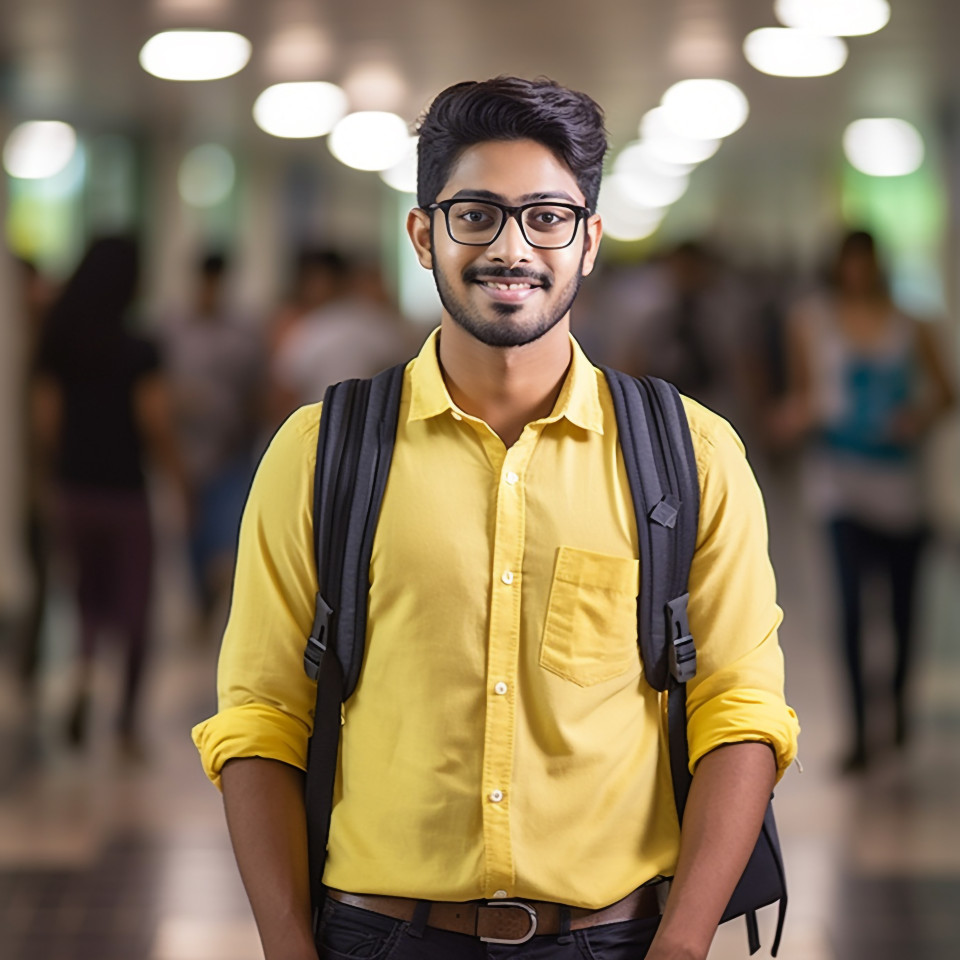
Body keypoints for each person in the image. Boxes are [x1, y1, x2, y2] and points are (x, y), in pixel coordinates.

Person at [193, 77, 799, 960]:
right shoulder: (321, 451)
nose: (512, 248)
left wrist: (683, 944)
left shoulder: (692, 455)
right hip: (379, 934)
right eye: (475, 214)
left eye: (548, 216)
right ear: (423, 233)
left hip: (615, 939)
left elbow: (740, 713)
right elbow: (259, 714)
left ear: (589, 240)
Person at [770, 230, 953, 772]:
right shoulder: (810, 321)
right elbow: (804, 392)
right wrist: (796, 418)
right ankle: (858, 728)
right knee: (850, 608)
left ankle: (896, 713)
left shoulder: (912, 324)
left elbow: (945, 389)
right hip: (839, 484)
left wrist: (915, 418)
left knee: (901, 609)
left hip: (900, 488)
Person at [34, 235, 186, 756]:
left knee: (86, 601)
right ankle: (124, 722)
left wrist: (61, 469)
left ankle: (79, 677)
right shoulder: (140, 348)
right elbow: (156, 421)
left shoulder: (58, 339)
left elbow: (46, 420)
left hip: (74, 490)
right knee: (136, 606)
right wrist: (178, 477)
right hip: (125, 493)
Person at [162, 251, 264, 634]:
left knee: (225, 535)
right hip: (185, 453)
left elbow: (257, 387)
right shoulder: (173, 329)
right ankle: (199, 605)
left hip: (229, 450)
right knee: (191, 536)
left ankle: (216, 601)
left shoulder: (242, 333)